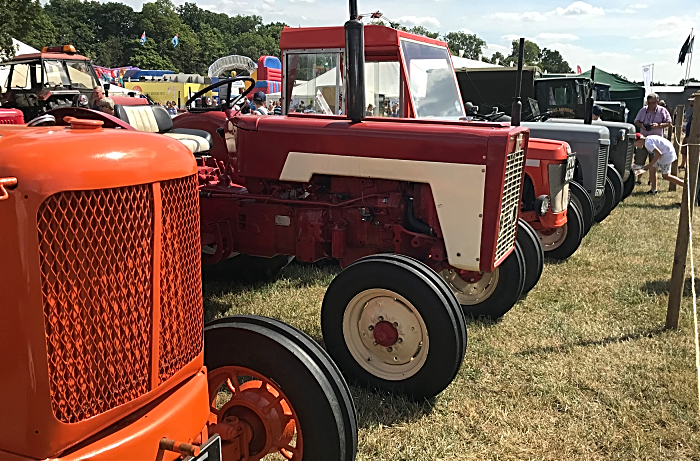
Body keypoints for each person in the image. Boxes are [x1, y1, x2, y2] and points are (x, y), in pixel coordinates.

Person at [634, 93, 672, 185]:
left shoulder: (663, 110)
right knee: (639, 161)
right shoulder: (643, 110)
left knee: (653, 163)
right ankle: (638, 180)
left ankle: (651, 181)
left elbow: (669, 123)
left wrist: (658, 125)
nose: (650, 105)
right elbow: (636, 121)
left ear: (657, 102)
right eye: (648, 103)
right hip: (643, 140)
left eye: (652, 103)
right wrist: (641, 125)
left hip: (656, 142)